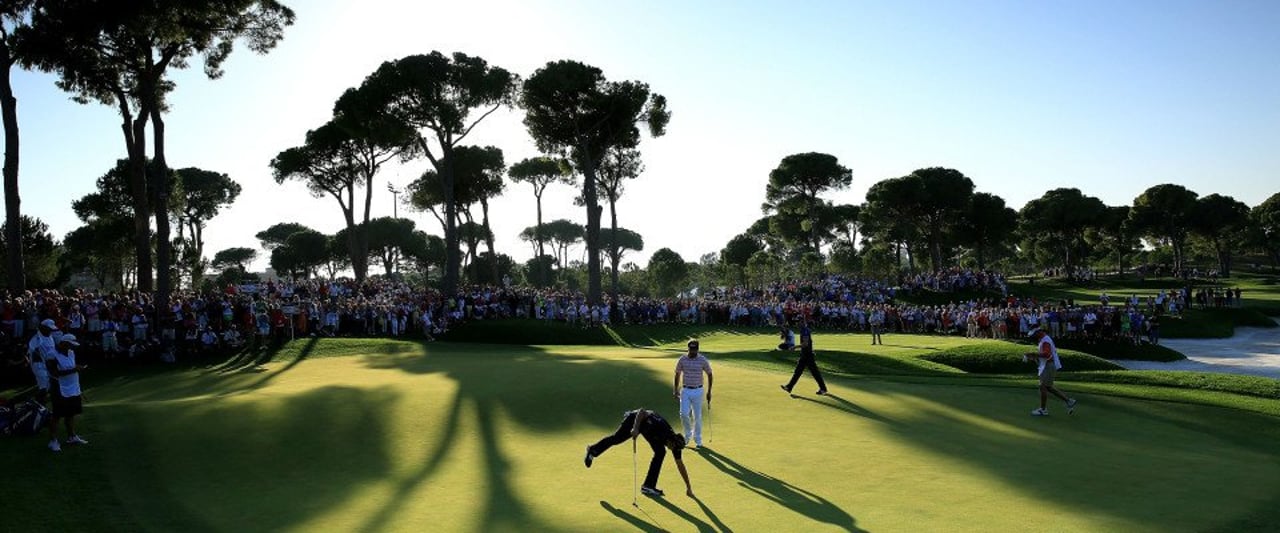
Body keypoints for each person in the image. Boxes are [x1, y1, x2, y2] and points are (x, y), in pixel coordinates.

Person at [583, 408, 693, 498]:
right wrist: (635, 428)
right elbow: (642, 411)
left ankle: (648, 486)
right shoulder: (661, 427)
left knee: (660, 452)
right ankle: (592, 450)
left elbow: (680, 465)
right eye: (672, 447)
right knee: (616, 439)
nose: (672, 449)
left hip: (648, 431)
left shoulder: (675, 446)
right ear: (671, 441)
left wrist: (688, 487)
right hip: (636, 419)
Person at [45, 334, 89, 452]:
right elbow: (54, 373)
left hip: (73, 387)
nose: (72, 347)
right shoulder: (51, 355)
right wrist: (74, 369)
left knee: (71, 413)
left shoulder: (71, 352)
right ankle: (53, 441)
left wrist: (77, 367)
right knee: (57, 415)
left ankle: (71, 436)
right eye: (70, 345)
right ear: (63, 343)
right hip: (59, 388)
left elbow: (70, 366)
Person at [1024, 328, 1077, 416]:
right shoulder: (1043, 340)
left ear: (1039, 332)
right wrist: (1034, 357)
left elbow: (1047, 354)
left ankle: (1043, 410)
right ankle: (1069, 401)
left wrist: (1033, 354)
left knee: (1042, 386)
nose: (1034, 336)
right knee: (1048, 387)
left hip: (1048, 366)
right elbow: (1045, 355)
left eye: (1035, 334)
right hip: (1048, 365)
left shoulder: (1045, 341)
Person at [673, 339, 713, 447]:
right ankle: (688, 434)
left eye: (695, 349)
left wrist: (709, 391)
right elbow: (677, 374)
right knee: (683, 413)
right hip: (685, 390)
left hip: (698, 390)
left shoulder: (702, 360)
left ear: (698, 349)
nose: (693, 351)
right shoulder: (682, 359)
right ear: (688, 348)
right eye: (691, 349)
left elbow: (709, 374)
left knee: (697, 416)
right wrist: (675, 389)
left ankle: (698, 438)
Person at [25, 319, 60, 404]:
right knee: (44, 387)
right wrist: (45, 361)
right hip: (39, 365)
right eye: (49, 328)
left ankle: (36, 403)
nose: (50, 330)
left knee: (48, 387)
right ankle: (36, 404)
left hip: (49, 364)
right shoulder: (36, 337)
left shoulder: (50, 336)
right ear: (43, 327)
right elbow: (33, 352)